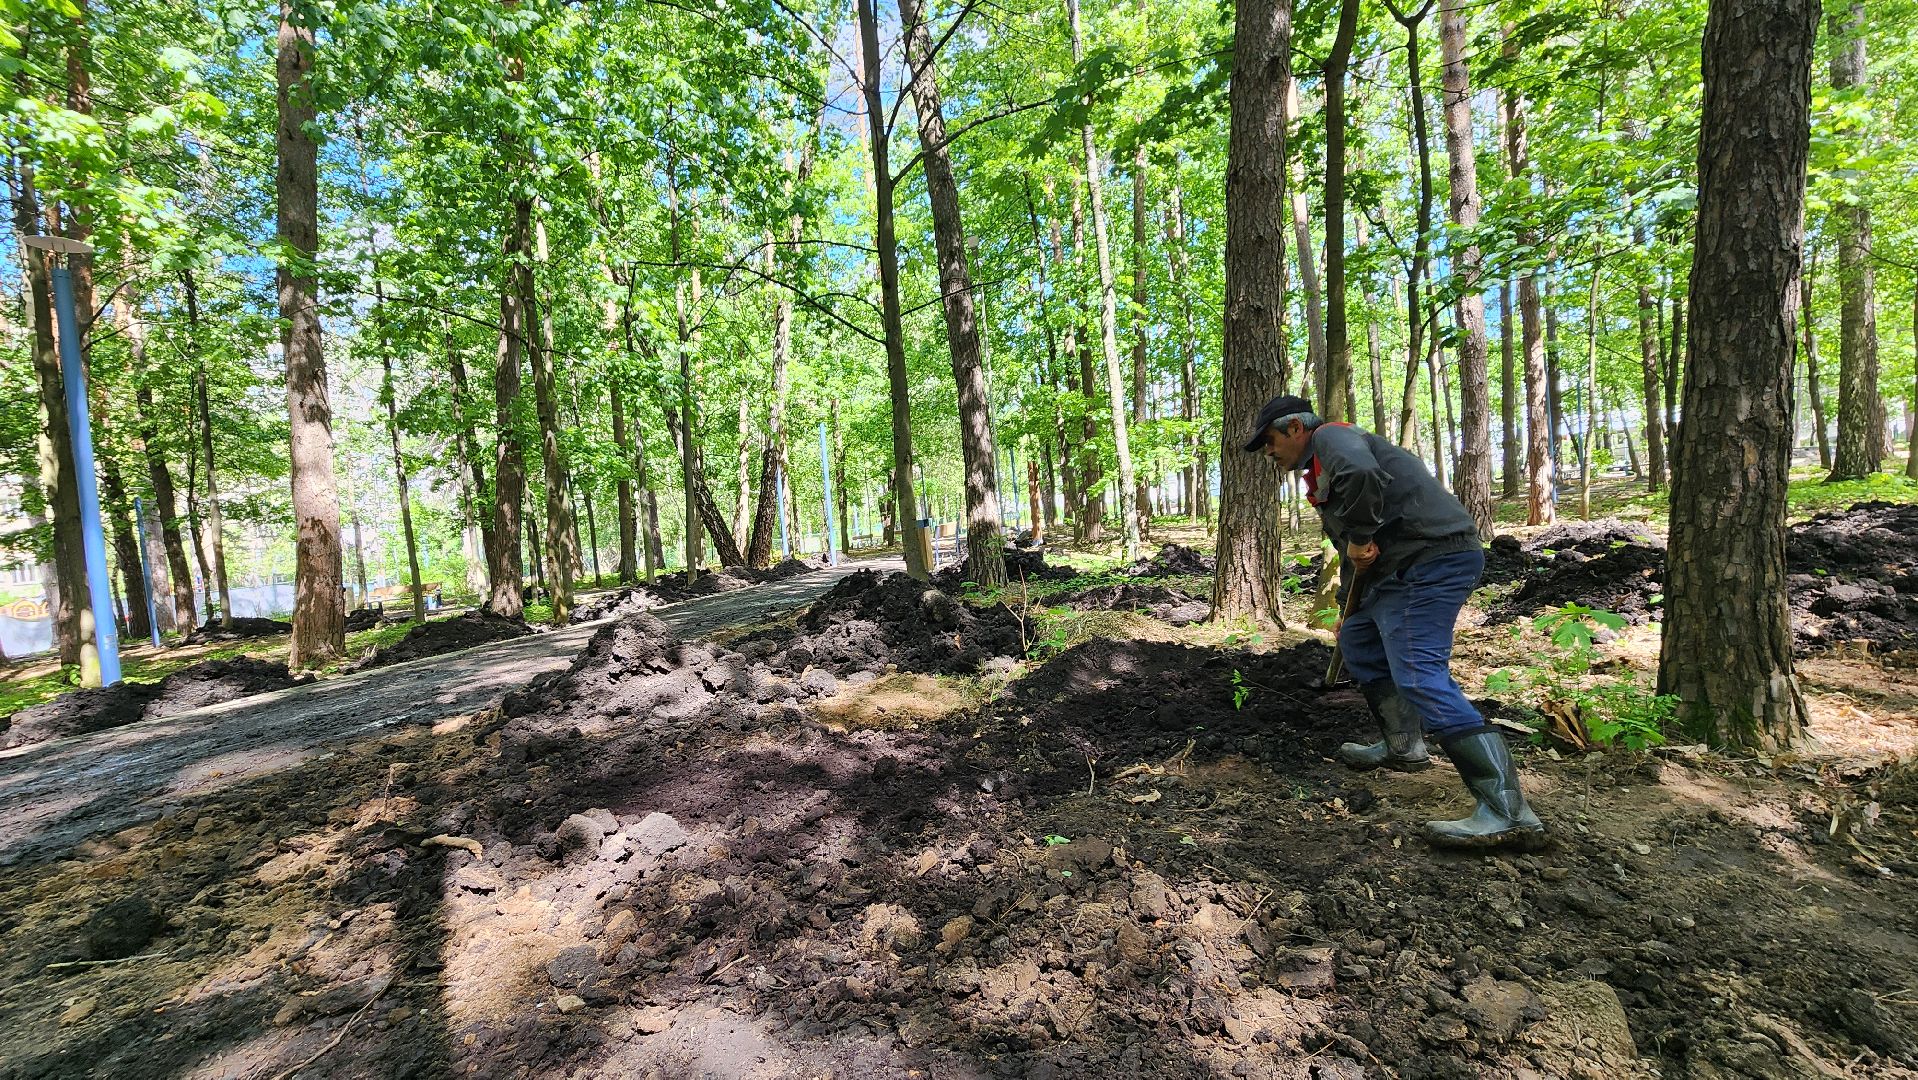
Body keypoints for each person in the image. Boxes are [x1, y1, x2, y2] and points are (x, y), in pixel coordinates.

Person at [1242, 394, 1545, 850]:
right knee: (1359, 639)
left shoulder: (1332, 438)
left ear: (1294, 428)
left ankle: (1508, 811)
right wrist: (1348, 608)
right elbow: (1355, 553)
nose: (1268, 452)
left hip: (1430, 560)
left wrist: (1361, 536)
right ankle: (1403, 745)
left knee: (1419, 675)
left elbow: (1362, 485)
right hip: (1394, 572)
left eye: (1269, 440)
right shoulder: (1321, 468)